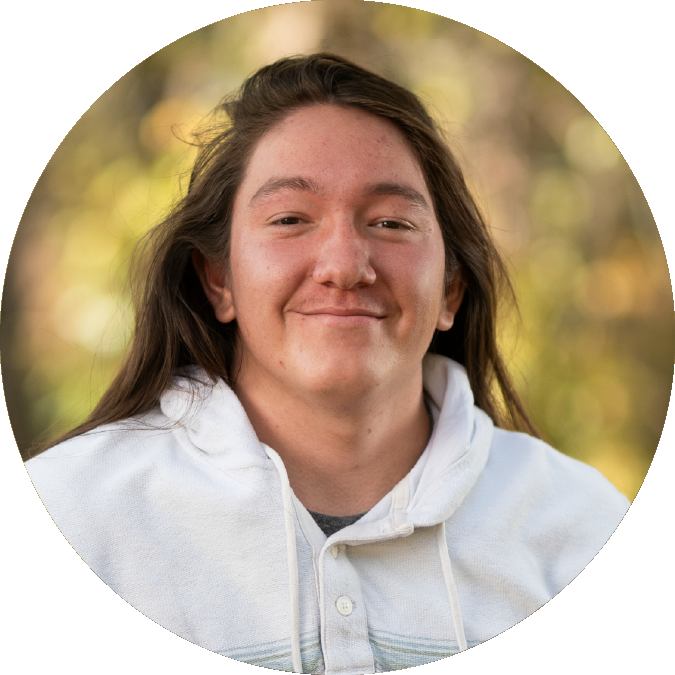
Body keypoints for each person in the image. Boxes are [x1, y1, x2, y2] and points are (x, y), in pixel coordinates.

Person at [26, 54, 628, 673]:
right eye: (290, 219)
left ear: (451, 290)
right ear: (218, 280)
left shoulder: (587, 533)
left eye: (391, 222)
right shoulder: (61, 522)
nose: (343, 266)